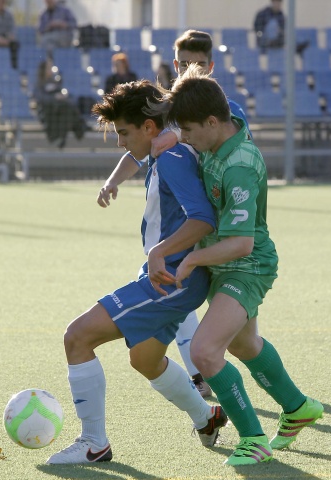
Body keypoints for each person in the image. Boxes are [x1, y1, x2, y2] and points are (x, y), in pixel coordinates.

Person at [46, 79, 227, 464]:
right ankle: (205, 417)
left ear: (148, 128)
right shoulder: (168, 152)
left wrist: (161, 251)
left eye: (124, 132)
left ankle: (93, 443)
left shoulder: (174, 159)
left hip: (173, 280)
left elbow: (203, 220)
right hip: (167, 276)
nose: (120, 142)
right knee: (145, 360)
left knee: (77, 337)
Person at [149, 67, 324, 466]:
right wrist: (175, 129)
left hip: (246, 264)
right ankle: (298, 408)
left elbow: (241, 242)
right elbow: (228, 112)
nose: (187, 138)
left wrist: (192, 257)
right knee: (245, 345)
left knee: (206, 351)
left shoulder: (240, 164)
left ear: (212, 122)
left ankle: (252, 439)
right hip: (226, 263)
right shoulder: (223, 129)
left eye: (189, 130)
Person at [148, 29, 253, 400]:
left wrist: (176, 135)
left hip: (227, 236)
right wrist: (114, 180)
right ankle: (296, 406)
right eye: (185, 65)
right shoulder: (170, 112)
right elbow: (141, 147)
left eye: (200, 65)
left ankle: (253, 424)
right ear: (174, 65)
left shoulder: (226, 114)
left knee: (224, 344)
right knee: (238, 339)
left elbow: (232, 137)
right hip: (200, 234)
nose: (192, 70)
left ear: (212, 66)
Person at [32, 58, 87, 148]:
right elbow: (41, 99)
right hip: (48, 110)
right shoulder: (39, 84)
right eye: (49, 68)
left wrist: (61, 97)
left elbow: (63, 94)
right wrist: (55, 98)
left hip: (59, 108)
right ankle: (79, 127)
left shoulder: (54, 82)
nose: (51, 70)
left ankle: (62, 136)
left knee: (68, 106)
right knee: (68, 107)